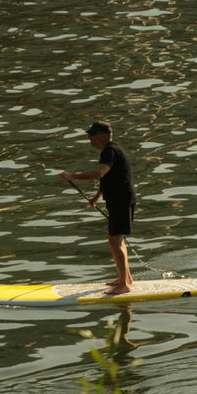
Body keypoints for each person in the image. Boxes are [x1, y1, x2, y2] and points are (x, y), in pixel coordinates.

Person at [60, 121, 137, 295]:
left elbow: (99, 173)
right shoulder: (111, 151)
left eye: (91, 135)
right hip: (120, 201)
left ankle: (124, 285)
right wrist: (96, 197)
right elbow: (108, 179)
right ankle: (126, 278)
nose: (89, 138)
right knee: (118, 240)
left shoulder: (110, 151)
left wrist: (72, 175)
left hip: (121, 202)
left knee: (115, 241)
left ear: (101, 135)